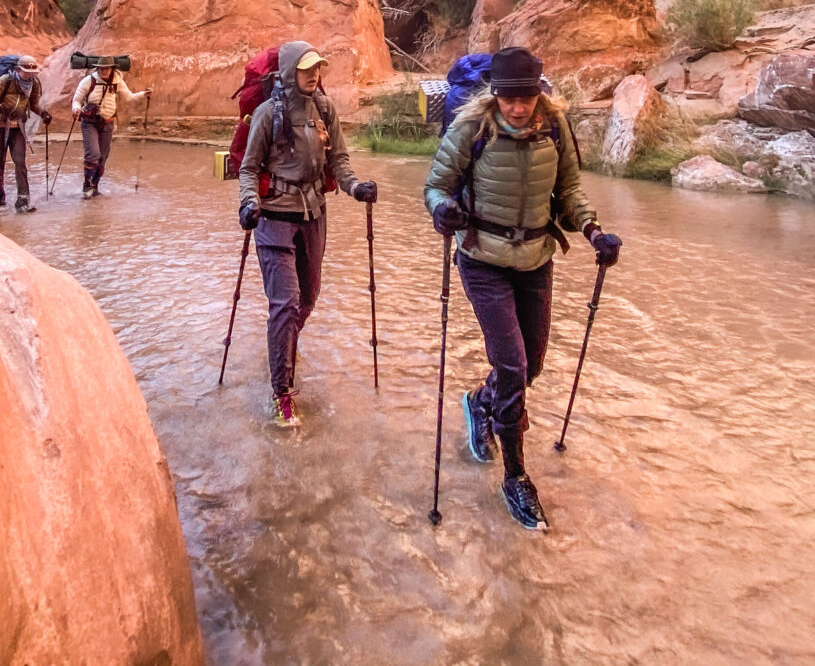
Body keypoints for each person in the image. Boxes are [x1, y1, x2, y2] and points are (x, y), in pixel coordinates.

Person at [422, 45, 622, 531]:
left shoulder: (554, 126)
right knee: (512, 366)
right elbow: (436, 185)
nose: (516, 107)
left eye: (525, 98)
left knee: (531, 365)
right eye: (508, 98)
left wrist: (593, 231)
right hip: (483, 260)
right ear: (495, 93)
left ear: (538, 93)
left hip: (535, 259)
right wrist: (442, 210)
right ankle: (515, 476)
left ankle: (481, 402)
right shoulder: (472, 128)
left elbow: (569, 190)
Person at [237, 41, 378, 427]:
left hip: (314, 215)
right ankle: (281, 392)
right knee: (286, 302)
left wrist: (355, 187)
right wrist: (248, 203)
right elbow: (249, 168)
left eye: (317, 68)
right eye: (306, 69)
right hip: (273, 218)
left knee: (308, 297)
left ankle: (281, 343)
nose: (314, 75)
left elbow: (339, 160)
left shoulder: (325, 109)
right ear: (288, 72)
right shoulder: (267, 114)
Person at [0, 57, 55, 214]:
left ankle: (23, 201)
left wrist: (43, 113)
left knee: (20, 163)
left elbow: (33, 104)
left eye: (31, 72)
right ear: (18, 69)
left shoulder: (34, 83)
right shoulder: (5, 80)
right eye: (25, 72)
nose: (28, 75)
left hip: (17, 128)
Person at [70, 61, 148, 198]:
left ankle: (94, 187)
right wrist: (76, 109)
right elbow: (77, 99)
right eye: (101, 68)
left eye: (106, 68)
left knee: (102, 158)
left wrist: (143, 94)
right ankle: (87, 186)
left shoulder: (117, 81)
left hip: (107, 123)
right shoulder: (88, 81)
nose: (104, 71)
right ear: (98, 68)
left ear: (112, 69)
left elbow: (128, 97)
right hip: (89, 123)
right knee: (93, 154)